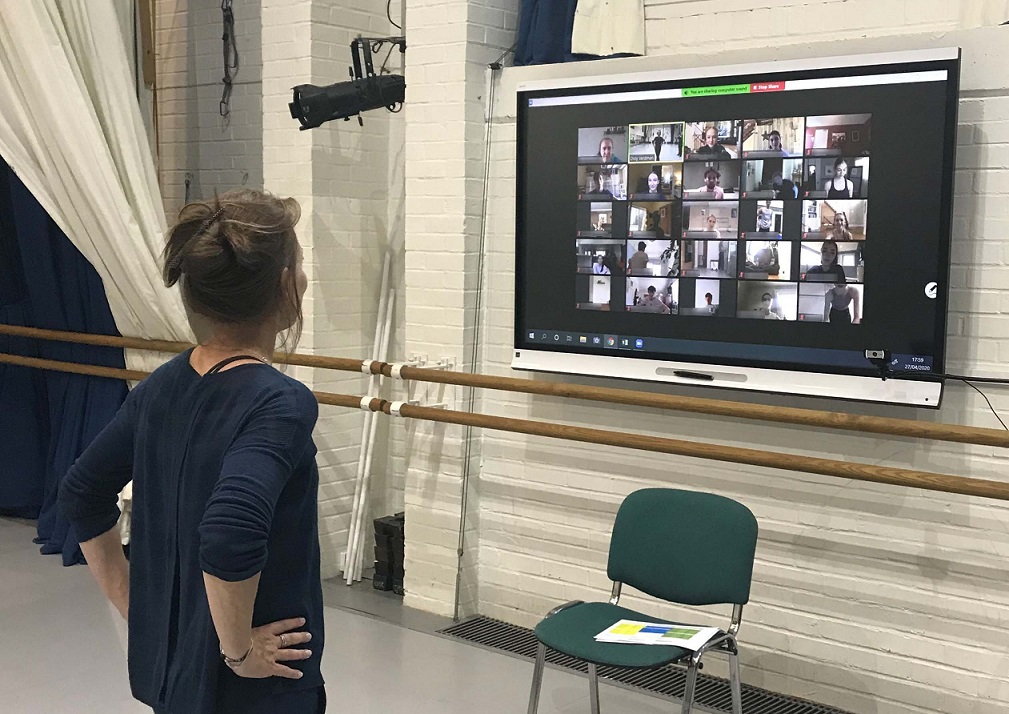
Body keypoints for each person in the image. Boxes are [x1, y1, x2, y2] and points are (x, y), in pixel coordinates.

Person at [58, 190, 326, 714]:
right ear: (284, 286)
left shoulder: (161, 387)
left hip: (173, 674)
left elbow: (82, 491)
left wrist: (140, 610)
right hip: (252, 691)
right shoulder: (279, 403)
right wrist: (239, 651)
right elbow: (229, 531)